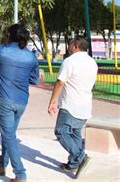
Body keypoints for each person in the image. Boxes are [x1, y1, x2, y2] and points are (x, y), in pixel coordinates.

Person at [0, 24, 39, 182]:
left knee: (9, 136)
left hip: (5, 100)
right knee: (9, 134)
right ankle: (1, 165)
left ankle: (20, 174)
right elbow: (34, 79)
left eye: (6, 33)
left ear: (10, 35)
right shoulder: (31, 57)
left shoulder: (2, 50)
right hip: (22, 101)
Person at [48, 36, 97, 179]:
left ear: (75, 46)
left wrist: (52, 101)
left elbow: (60, 82)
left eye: (70, 44)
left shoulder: (70, 61)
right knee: (75, 133)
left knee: (61, 132)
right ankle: (74, 164)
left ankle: (81, 157)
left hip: (70, 104)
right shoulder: (92, 62)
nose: (68, 46)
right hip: (85, 105)